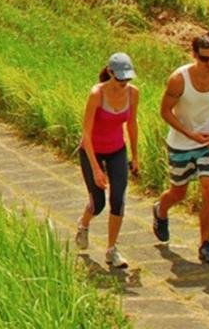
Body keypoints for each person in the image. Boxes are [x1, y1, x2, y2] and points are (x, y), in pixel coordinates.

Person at [151, 33, 209, 265]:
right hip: (181, 142)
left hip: (207, 141)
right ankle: (160, 210)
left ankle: (206, 244)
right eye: (205, 59)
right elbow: (165, 112)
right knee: (179, 193)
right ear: (194, 55)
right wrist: (190, 134)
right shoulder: (179, 79)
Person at [75, 52, 140, 269]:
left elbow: (132, 125)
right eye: (119, 78)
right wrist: (96, 169)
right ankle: (84, 224)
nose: (123, 83)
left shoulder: (133, 94)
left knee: (118, 199)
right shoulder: (97, 94)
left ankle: (111, 249)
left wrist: (135, 156)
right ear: (110, 72)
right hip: (91, 150)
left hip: (117, 150)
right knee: (99, 202)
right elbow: (86, 134)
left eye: (127, 79)